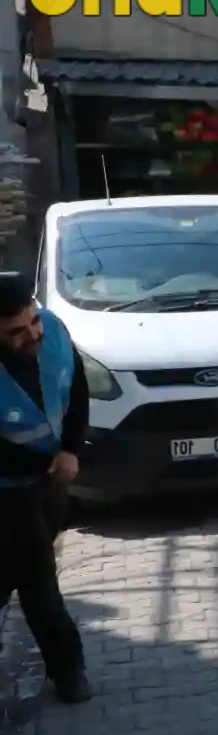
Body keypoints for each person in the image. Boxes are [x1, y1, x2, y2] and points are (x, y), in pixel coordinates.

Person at [0, 272, 91, 704]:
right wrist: (49, 462)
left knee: (19, 576)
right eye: (16, 331)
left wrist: (71, 449)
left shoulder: (53, 329)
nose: (31, 333)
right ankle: (69, 670)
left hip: (49, 482)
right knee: (37, 581)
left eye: (32, 320)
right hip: (8, 488)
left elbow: (78, 386)